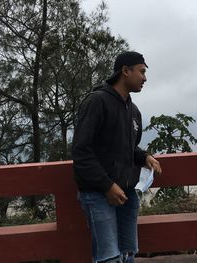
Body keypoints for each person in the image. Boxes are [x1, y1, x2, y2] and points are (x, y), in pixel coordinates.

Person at [72, 51, 162, 263]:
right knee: (109, 257)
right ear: (125, 71)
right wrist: (107, 186)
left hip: (127, 192)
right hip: (98, 193)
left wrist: (144, 157)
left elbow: (126, 147)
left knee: (128, 252)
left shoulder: (133, 110)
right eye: (141, 72)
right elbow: (81, 151)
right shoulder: (97, 102)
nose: (145, 78)